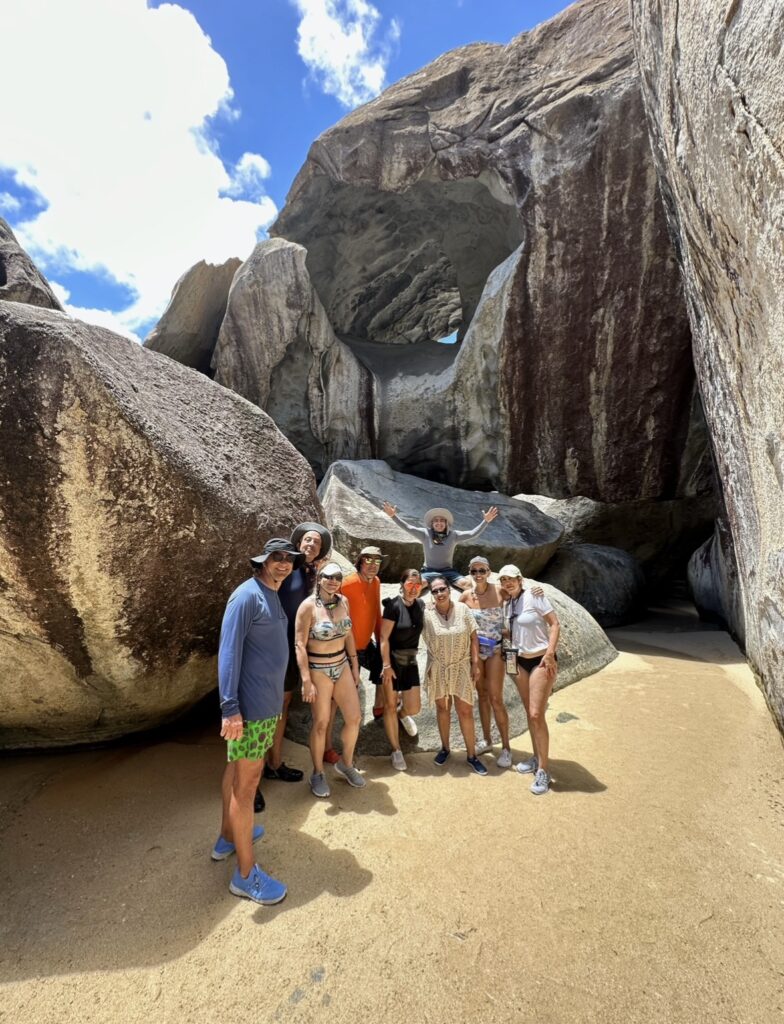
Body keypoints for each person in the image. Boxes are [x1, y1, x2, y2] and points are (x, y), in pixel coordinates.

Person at [215, 537, 304, 905]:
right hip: (249, 710)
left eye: (288, 559)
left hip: (265, 707)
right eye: (276, 558)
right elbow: (229, 651)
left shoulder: (272, 594)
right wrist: (230, 706)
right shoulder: (246, 595)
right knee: (247, 787)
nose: (283, 564)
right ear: (262, 561)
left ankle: (228, 838)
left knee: (237, 773)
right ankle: (246, 875)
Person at [261, 521, 332, 794]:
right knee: (263, 707)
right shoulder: (286, 567)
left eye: (317, 542)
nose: (312, 544)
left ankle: (274, 763)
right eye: (308, 540)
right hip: (273, 645)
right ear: (298, 543)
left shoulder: (310, 572)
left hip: (294, 647)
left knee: (283, 703)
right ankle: (251, 776)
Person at [296, 562, 366, 798]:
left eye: (337, 577)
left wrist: (355, 665)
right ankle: (317, 773)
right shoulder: (307, 607)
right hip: (319, 668)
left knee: (354, 717)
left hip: (342, 665)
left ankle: (346, 763)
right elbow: (299, 644)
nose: (333, 581)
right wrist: (306, 679)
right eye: (328, 577)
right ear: (319, 578)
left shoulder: (343, 601)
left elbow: (348, 634)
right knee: (321, 723)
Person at [498, 565, 560, 796]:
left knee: (536, 714)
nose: (507, 583)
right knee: (529, 712)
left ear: (520, 579)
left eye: (511, 579)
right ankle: (536, 758)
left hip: (540, 661)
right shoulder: (508, 603)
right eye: (503, 580)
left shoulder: (535, 596)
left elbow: (554, 624)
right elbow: (512, 631)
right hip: (518, 661)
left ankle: (544, 770)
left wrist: (550, 653)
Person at [323, 546, 386, 760]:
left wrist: (381, 642)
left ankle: (379, 706)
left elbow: (376, 612)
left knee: (382, 667)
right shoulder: (347, 584)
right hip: (345, 649)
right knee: (333, 701)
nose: (372, 565)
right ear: (360, 561)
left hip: (365, 644)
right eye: (368, 560)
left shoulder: (376, 583)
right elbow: (331, 612)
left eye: (377, 561)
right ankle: (327, 747)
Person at [421, 575, 488, 775]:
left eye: (443, 589)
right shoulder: (426, 613)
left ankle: (471, 755)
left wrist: (475, 663)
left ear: (450, 590)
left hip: (461, 667)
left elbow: (474, 638)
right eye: (435, 591)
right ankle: (445, 748)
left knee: (465, 710)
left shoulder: (463, 610)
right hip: (439, 667)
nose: (440, 593)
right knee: (442, 709)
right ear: (431, 595)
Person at [458, 555, 512, 766]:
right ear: (470, 573)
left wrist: (536, 593)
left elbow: (520, 597)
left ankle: (506, 747)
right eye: (474, 571)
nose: (478, 575)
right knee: (481, 694)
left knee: (496, 698)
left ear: (489, 572)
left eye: (482, 570)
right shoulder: (465, 597)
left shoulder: (500, 591)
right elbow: (452, 615)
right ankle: (487, 740)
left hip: (496, 650)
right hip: (475, 652)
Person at [382, 502, 499, 589]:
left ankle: (444, 582)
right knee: (416, 586)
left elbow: (473, 533)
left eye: (442, 520)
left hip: (449, 572)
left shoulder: (454, 535)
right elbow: (408, 527)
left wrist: (486, 521)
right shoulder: (425, 534)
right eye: (436, 521)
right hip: (429, 572)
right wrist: (393, 516)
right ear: (432, 524)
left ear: (446, 523)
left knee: (467, 585)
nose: (439, 523)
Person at [379, 569, 426, 771]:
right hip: (391, 662)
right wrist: (386, 666)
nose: (414, 588)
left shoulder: (421, 605)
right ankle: (396, 750)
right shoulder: (392, 606)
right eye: (410, 584)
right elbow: (383, 638)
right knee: (389, 705)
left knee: (414, 707)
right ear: (402, 584)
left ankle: (402, 714)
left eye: (418, 585)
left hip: (410, 661)